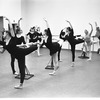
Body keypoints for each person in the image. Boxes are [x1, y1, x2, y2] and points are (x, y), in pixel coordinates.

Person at [0, 17, 37, 89]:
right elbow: (1, 52)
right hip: (18, 57)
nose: (3, 35)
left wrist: (9, 21)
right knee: (21, 69)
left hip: (21, 52)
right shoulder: (4, 43)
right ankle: (21, 85)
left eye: (4, 34)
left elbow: (11, 29)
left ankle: (37, 45)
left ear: (8, 34)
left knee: (32, 48)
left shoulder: (13, 38)